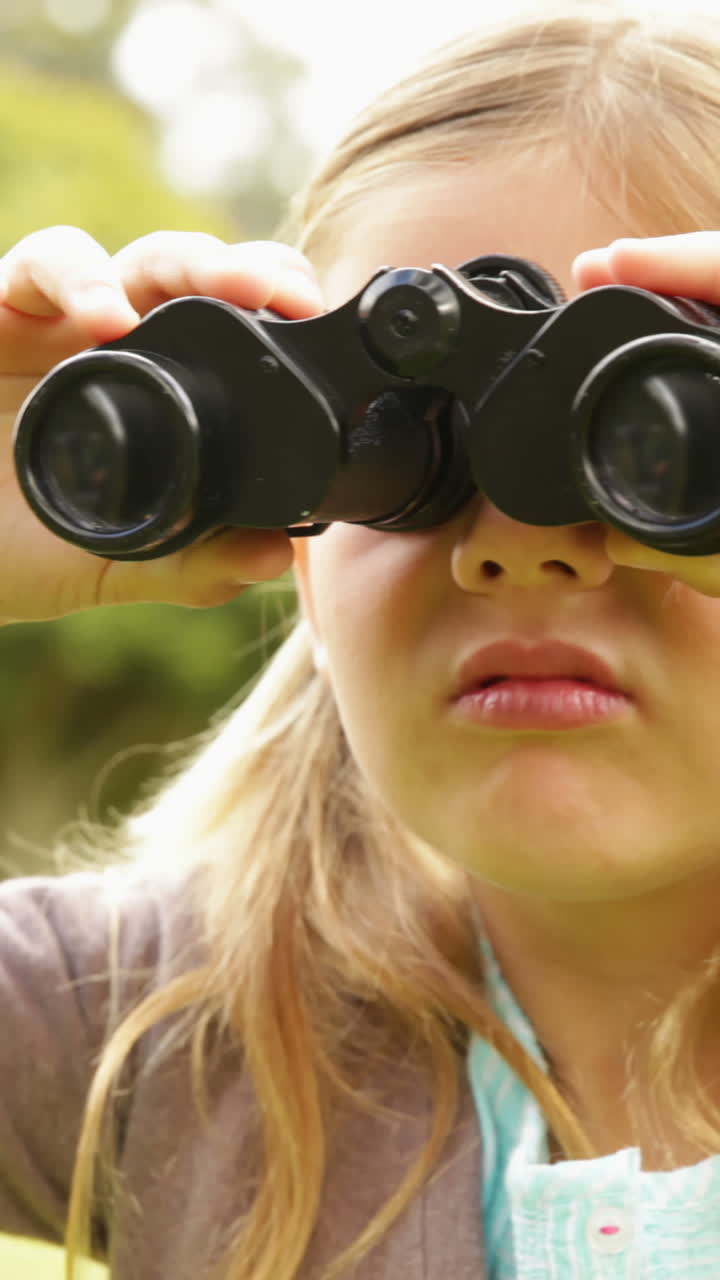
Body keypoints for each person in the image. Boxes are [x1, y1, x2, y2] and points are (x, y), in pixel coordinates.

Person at [3, 1, 720, 1276]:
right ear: (295, 547)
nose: (518, 545)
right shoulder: (154, 1025)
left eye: (647, 448)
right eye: (398, 452)